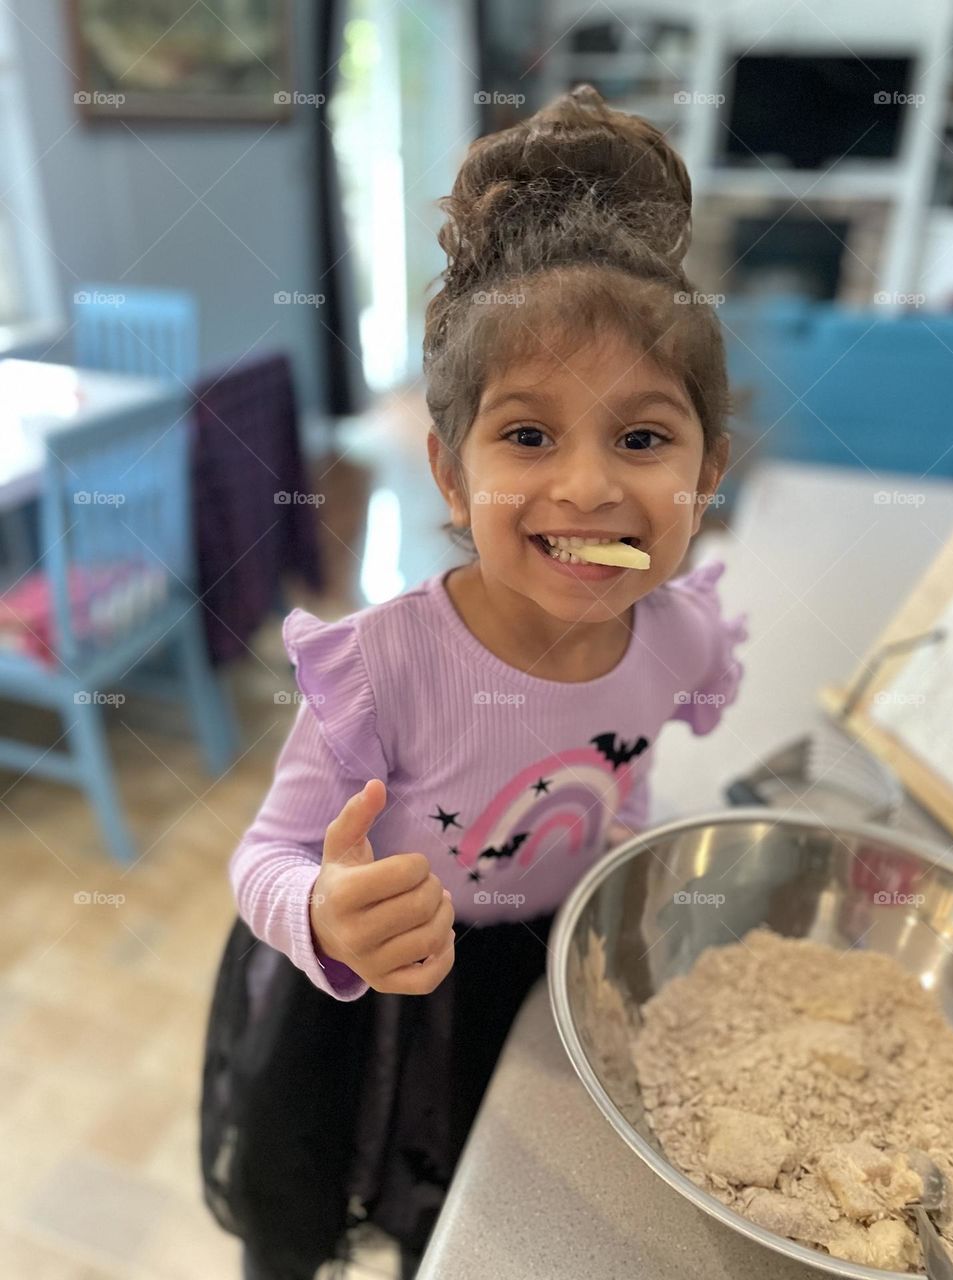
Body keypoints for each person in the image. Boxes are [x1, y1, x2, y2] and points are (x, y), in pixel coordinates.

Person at [199, 82, 749, 1280]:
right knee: (308, 1213)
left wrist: (623, 857)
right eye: (530, 436)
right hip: (378, 988)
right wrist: (324, 915)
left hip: (533, 973)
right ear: (451, 473)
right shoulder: (385, 663)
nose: (591, 489)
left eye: (645, 439)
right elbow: (262, 859)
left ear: (710, 471)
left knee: (466, 1224)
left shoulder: (682, 639)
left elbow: (634, 755)